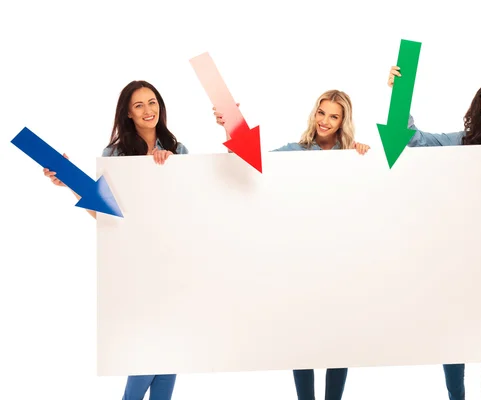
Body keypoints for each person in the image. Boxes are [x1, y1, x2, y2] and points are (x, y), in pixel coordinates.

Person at [388, 66, 481, 400]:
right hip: (457, 251)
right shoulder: (462, 142)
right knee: (453, 331)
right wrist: (399, 95)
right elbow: (412, 139)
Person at [214, 89, 369, 400]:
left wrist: (365, 157)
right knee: (303, 337)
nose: (325, 121)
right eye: (321, 113)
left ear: (343, 122)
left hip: (341, 260)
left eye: (333, 116)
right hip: (301, 259)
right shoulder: (295, 151)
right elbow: (251, 160)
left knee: (338, 339)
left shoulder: (353, 155)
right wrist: (228, 124)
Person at [43, 80, 189, 400]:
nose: (148, 110)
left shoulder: (179, 151)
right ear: (128, 113)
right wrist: (67, 179)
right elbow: (104, 214)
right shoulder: (115, 155)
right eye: (139, 106)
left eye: (152, 102)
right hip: (135, 262)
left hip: (174, 261)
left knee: (171, 349)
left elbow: (189, 208)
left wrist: (170, 171)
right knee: (149, 348)